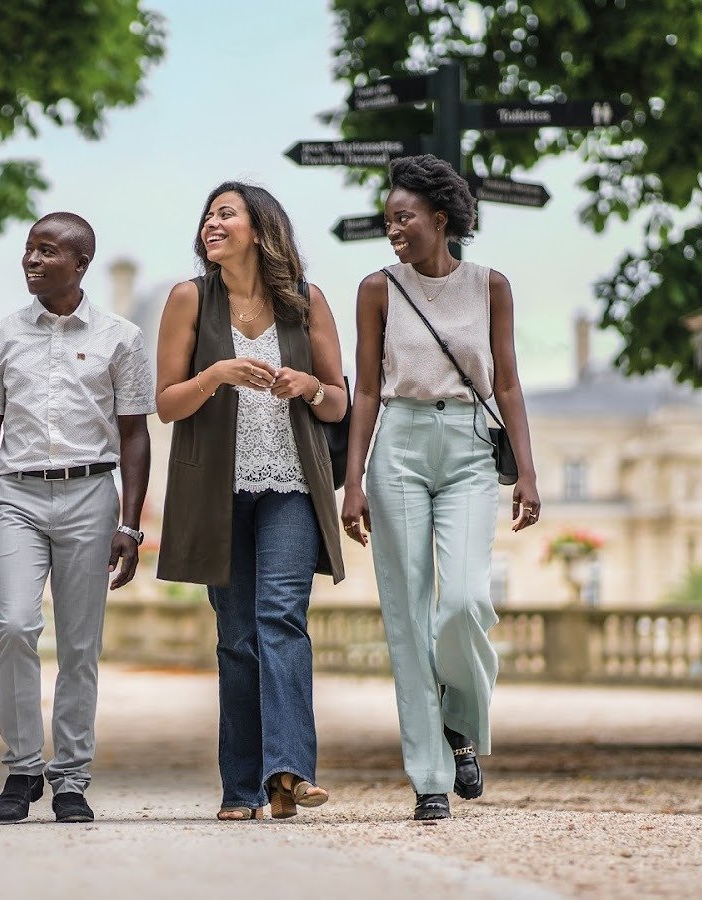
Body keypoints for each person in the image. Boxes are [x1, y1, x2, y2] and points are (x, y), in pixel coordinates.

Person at [339, 154, 541, 822]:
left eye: (404, 217)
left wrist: (530, 474)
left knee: (461, 599)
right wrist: (353, 479)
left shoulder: (494, 286)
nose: (393, 228)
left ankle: (459, 724)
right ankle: (429, 777)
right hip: (396, 443)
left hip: (469, 449)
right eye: (389, 218)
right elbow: (365, 387)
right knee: (405, 614)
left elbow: (507, 382)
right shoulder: (377, 289)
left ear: (441, 218)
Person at [155, 182, 348, 821]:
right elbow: (166, 402)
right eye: (207, 213)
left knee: (281, 617)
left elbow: (339, 402)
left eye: (225, 213)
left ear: (261, 229)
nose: (212, 222)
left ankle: (289, 771)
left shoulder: (306, 302)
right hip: (216, 489)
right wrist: (216, 375)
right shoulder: (188, 299)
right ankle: (241, 789)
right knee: (236, 638)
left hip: (292, 484)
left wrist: (309, 384)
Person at [0, 212, 153, 824]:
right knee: (14, 627)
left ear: (80, 264)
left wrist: (129, 523)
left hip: (90, 495)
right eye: (28, 250)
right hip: (15, 496)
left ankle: (71, 778)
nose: (32, 261)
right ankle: (22, 768)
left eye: (47, 252)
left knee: (79, 645)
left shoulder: (121, 337)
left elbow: (135, 436)